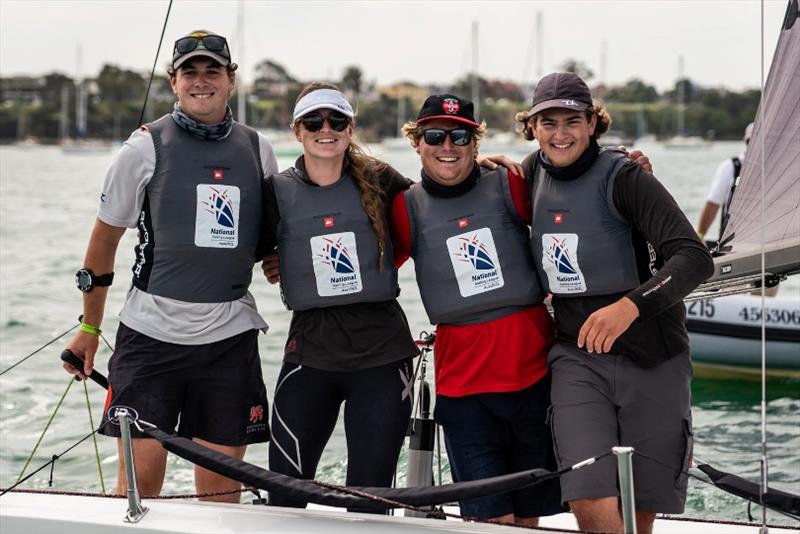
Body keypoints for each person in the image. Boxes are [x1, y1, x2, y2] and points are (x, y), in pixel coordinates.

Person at [63, 30, 277, 502]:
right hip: (150, 338)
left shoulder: (259, 148)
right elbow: (102, 245)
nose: (202, 82)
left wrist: (277, 259)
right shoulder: (141, 149)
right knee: (137, 496)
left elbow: (269, 234)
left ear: (231, 79)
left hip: (229, 338)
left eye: (212, 71)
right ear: (173, 82)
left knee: (222, 502)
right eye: (190, 73)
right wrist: (90, 330)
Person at [516, 72, 714, 534]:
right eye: (548, 122)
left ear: (591, 124)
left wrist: (629, 307)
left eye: (571, 121)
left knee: (640, 506)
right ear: (532, 127)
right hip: (576, 355)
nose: (559, 133)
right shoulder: (526, 175)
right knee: (588, 494)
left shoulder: (627, 177)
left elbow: (693, 258)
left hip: (653, 352)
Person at [390, 94, 564, 526]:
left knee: (528, 518)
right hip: (465, 389)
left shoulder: (509, 182)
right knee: (490, 521)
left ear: (475, 142)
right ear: (417, 142)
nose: (447, 146)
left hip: (534, 376)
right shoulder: (405, 206)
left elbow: (573, 199)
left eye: (459, 135)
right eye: (434, 135)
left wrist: (628, 164)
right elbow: (367, 269)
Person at [259, 83, 420, 512]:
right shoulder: (275, 192)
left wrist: (494, 167)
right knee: (284, 496)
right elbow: (234, 251)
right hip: (310, 349)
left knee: (369, 502)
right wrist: (275, 261)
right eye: (313, 121)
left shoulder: (384, 180)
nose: (324, 129)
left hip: (382, 354)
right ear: (297, 131)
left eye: (336, 121)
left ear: (350, 129)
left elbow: (438, 211)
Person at [696, 121, 754, 247]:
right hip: (733, 244)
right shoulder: (730, 167)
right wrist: (700, 237)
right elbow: (712, 204)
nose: (754, 146)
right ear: (746, 142)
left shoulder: (778, 167)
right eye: (751, 142)